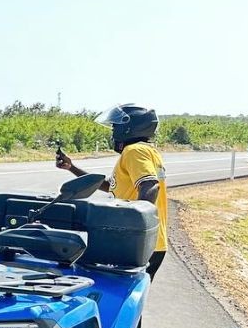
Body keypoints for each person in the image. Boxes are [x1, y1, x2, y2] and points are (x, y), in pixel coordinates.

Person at [57, 103, 168, 280]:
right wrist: (72, 168)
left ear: (128, 128)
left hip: (136, 242)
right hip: (150, 242)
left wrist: (136, 223)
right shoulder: (146, 151)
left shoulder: (134, 151)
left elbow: (150, 185)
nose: (113, 131)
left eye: (115, 126)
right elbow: (111, 185)